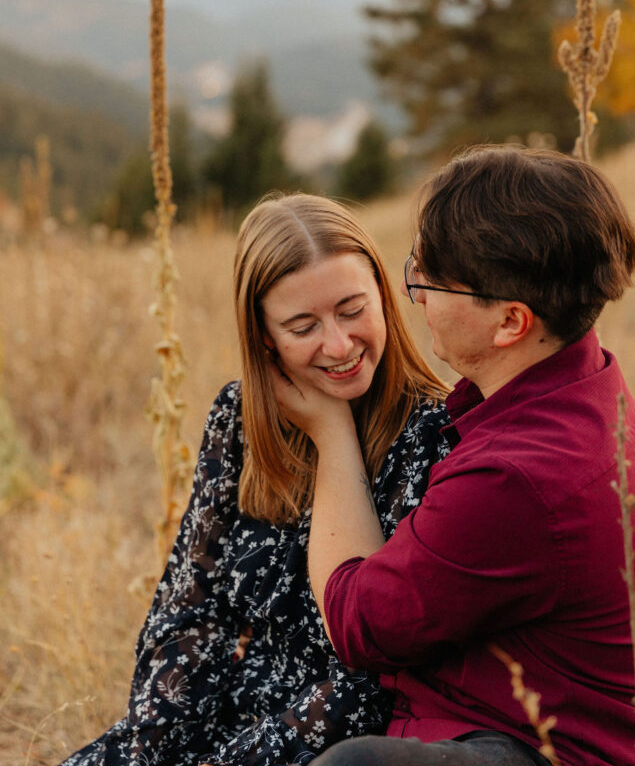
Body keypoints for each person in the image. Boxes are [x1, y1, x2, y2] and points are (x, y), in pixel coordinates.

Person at [273, 147, 635, 766]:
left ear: (511, 322)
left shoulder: (519, 475)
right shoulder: (583, 386)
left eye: (430, 281)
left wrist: (330, 434)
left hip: (551, 751)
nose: (414, 296)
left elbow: (354, 621)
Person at [60, 193, 450, 766]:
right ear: (264, 336)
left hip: (327, 746)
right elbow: (188, 610)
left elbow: (376, 675)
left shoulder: (435, 435)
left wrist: (333, 436)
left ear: (385, 298)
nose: (339, 345)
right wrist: (154, 744)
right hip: (207, 723)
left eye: (352, 309)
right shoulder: (238, 419)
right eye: (302, 325)